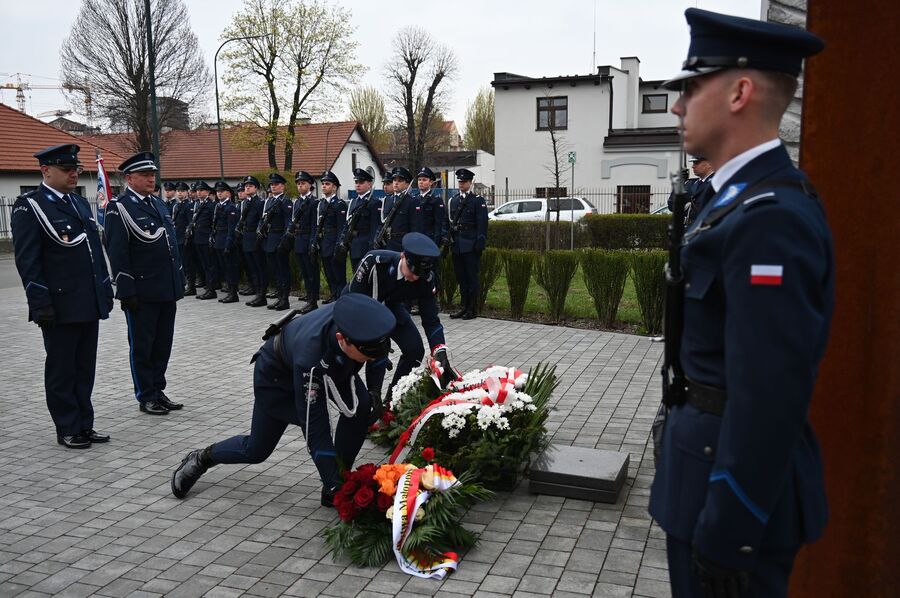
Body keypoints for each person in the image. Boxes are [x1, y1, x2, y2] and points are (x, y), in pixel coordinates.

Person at [649, 9, 832, 598]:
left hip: (729, 502)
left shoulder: (771, 218)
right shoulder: (734, 201)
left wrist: (730, 526)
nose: (677, 105)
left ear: (740, 92)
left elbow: (769, 394)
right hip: (697, 477)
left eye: (690, 87)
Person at [170, 294, 396, 505]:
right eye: (366, 356)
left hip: (335, 364)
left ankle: (339, 478)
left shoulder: (357, 323)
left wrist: (375, 390)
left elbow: (377, 351)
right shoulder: (311, 357)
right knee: (257, 450)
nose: (369, 360)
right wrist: (336, 487)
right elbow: (316, 430)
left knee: (362, 406)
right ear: (342, 339)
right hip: (278, 378)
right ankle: (202, 458)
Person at [11, 144, 114, 448]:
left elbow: (95, 253)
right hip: (58, 305)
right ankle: (67, 426)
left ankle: (85, 423)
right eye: (67, 169)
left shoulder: (79, 204)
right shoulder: (30, 207)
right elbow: (28, 262)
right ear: (46, 171)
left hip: (86, 301)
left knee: (84, 368)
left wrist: (104, 289)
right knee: (61, 369)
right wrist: (40, 302)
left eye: (76, 169)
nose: (74, 174)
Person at [104, 151, 186, 416]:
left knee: (163, 344)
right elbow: (117, 252)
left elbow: (170, 246)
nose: (152, 179)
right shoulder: (120, 207)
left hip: (165, 287)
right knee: (142, 346)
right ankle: (146, 394)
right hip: (142, 290)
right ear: (129, 178)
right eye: (145, 175)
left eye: (153, 174)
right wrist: (126, 290)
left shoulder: (158, 205)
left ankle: (158, 389)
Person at [347, 232, 459, 417]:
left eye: (419, 274)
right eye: (412, 270)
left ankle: (393, 399)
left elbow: (431, 320)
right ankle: (370, 396)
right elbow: (354, 300)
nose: (415, 277)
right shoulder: (374, 262)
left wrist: (440, 351)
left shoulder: (425, 279)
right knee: (370, 352)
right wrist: (373, 342)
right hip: (360, 307)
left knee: (415, 349)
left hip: (391, 307)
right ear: (402, 256)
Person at [447, 168, 488, 320]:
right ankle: (464, 306)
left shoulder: (477, 200)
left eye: (464, 182)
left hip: (470, 244)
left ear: (470, 183)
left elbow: (482, 223)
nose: (461, 184)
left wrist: (480, 242)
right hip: (457, 244)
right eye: (460, 182)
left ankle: (472, 308)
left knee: (471, 277)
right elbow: (450, 221)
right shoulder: (455, 200)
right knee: (461, 277)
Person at [280, 170, 319, 314]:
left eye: (303, 183)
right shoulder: (297, 202)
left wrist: (312, 242)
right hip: (298, 241)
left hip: (308, 239)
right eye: (298, 184)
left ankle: (313, 300)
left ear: (310, 185)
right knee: (304, 271)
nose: (300, 186)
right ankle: (309, 297)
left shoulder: (314, 202)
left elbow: (315, 225)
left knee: (311, 272)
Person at [337, 168, 381, 274]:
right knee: (355, 276)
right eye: (356, 182)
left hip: (366, 246)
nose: (358, 185)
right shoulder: (353, 203)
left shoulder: (374, 203)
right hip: (353, 245)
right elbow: (348, 224)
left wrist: (371, 250)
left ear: (369, 184)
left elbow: (374, 228)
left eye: (361, 182)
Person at [259, 173, 292, 311]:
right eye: (271, 184)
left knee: (282, 270)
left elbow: (288, 223)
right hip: (269, 240)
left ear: (282, 186)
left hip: (279, 239)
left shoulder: (285, 201)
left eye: (276, 184)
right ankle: (279, 296)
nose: (273, 186)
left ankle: (285, 299)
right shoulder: (270, 201)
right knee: (275, 271)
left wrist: (284, 240)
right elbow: (263, 219)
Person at [314, 170, 347, 304]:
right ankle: (334, 294)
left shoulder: (339, 205)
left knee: (338, 273)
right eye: (323, 184)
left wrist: (339, 245)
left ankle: (341, 296)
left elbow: (341, 227)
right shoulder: (321, 204)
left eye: (327, 184)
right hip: (324, 243)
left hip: (334, 243)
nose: (324, 186)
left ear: (334, 187)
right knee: (328, 272)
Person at [240, 176, 269, 307]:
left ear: (256, 188)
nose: (247, 187)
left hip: (255, 238)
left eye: (250, 186)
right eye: (246, 186)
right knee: (252, 267)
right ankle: (257, 292)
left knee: (259, 267)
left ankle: (261, 295)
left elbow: (261, 221)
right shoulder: (245, 202)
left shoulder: (259, 203)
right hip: (246, 237)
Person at [376, 166, 420, 252]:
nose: (396, 183)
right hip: (387, 244)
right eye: (394, 180)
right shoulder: (387, 200)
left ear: (407, 184)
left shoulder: (412, 202)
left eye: (400, 181)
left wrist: (410, 248)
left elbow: (415, 228)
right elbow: (381, 223)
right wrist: (377, 238)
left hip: (402, 245)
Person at [211, 181, 240, 304]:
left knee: (230, 268)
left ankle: (233, 293)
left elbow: (231, 228)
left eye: (221, 191)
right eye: (217, 192)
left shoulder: (231, 207)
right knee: (224, 268)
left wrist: (228, 243)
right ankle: (229, 291)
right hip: (218, 240)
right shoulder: (218, 206)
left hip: (226, 241)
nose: (219, 194)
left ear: (228, 193)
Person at [191, 181, 218, 300]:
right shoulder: (197, 204)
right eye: (197, 190)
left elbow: (214, 222)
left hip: (206, 237)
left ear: (207, 192)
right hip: (198, 238)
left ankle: (211, 289)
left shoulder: (211, 205)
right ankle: (208, 287)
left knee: (209, 265)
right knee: (204, 265)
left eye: (201, 190)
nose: (198, 192)